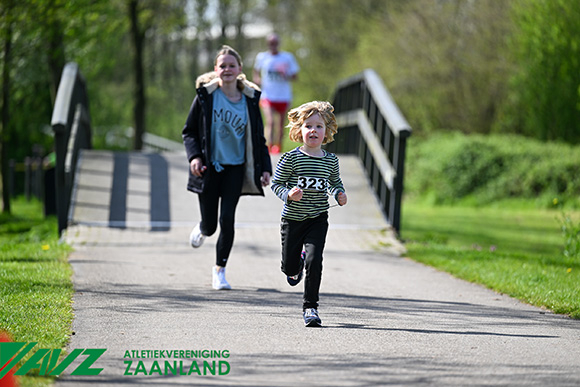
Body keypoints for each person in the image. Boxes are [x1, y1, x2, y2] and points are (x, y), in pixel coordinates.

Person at [182, 45, 272, 290]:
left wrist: (265, 168)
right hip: (209, 169)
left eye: (232, 65)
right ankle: (202, 228)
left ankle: (219, 270)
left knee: (228, 219)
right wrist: (195, 158)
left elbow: (259, 139)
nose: (227, 69)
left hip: (236, 168)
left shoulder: (250, 101)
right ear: (215, 70)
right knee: (210, 225)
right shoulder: (206, 97)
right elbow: (189, 132)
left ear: (240, 69)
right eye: (222, 65)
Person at [271, 101, 347, 327]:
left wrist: (339, 193)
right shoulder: (291, 158)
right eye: (308, 126)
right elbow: (277, 184)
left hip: (317, 218)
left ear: (327, 132)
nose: (313, 130)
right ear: (299, 130)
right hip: (293, 220)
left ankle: (310, 307)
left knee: (315, 260)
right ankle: (295, 265)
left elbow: (335, 182)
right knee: (290, 269)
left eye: (319, 126)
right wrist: (288, 194)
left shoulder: (331, 160)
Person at [253, 33, 300, 154]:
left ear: (278, 44)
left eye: (275, 43)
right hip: (268, 95)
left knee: (280, 125)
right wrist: (257, 80)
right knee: (270, 122)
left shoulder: (287, 57)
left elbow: (295, 76)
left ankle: (278, 148)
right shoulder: (262, 57)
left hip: (283, 96)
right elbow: (256, 73)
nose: (273, 45)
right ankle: (268, 147)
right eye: (270, 43)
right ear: (268, 44)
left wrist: (286, 74)